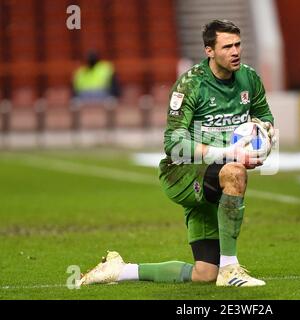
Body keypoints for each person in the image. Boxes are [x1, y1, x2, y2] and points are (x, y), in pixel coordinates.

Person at [79, 20, 275, 287]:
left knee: (204, 274)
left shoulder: (249, 78)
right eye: (227, 46)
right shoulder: (191, 85)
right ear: (209, 51)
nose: (235, 51)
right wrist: (229, 151)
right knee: (234, 173)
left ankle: (120, 270)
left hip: (213, 176)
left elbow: (263, 113)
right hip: (181, 172)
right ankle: (230, 270)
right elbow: (173, 143)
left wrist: (266, 133)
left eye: (238, 44)